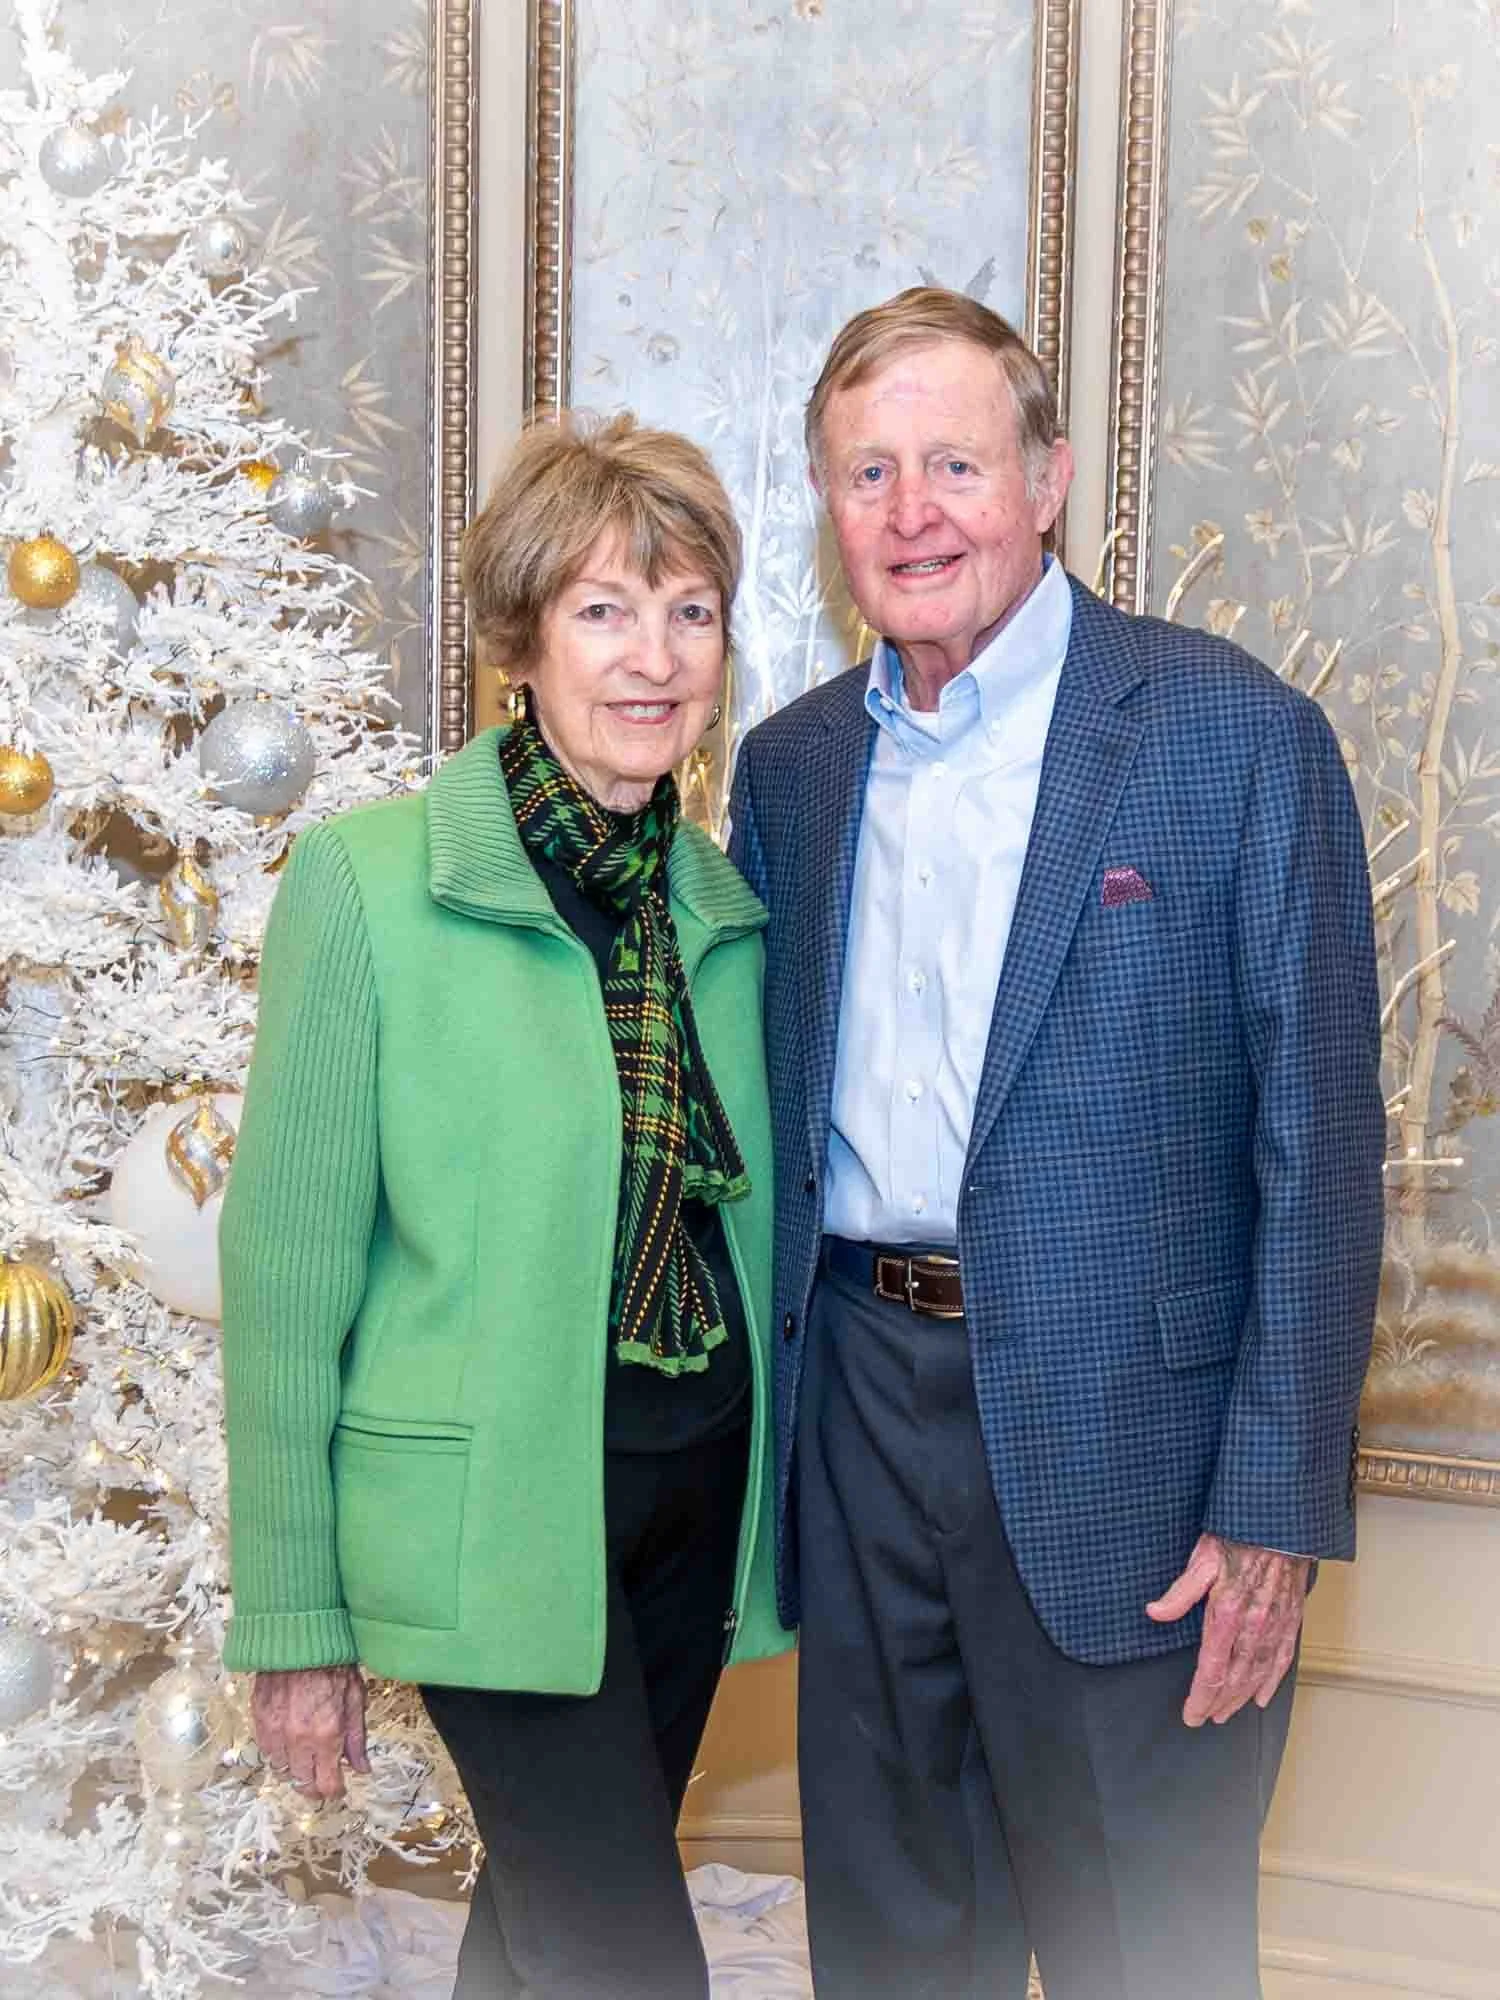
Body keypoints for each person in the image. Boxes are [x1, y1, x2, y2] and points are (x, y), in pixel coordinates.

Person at [728, 287, 1384, 2000]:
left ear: (1049, 480)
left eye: (954, 461)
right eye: (866, 474)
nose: (912, 511)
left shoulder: (1232, 736)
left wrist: (1274, 1507)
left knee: (1143, 1959)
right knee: (888, 1947)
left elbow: (1319, 1150)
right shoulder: (787, 774)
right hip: (861, 1420)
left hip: (1138, 1471)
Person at [221, 412, 790, 2000]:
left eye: (690, 612)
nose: (654, 657)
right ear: (520, 642)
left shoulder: (726, 915)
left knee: (542, 1934)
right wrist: (291, 1613)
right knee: (625, 1958)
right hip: (487, 1529)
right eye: (606, 609)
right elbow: (285, 1279)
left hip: (690, 1505)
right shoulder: (369, 885)